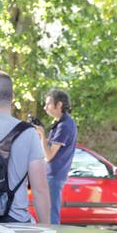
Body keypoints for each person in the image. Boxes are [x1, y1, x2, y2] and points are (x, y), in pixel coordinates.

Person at [0, 72, 49, 223]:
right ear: (12, 97)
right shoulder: (28, 133)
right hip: (16, 224)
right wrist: (47, 227)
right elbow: (39, 189)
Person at [41, 88, 77, 224]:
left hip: (54, 175)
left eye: (48, 104)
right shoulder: (61, 123)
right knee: (48, 213)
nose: (45, 108)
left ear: (59, 105)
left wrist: (41, 135)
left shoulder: (64, 125)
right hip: (52, 174)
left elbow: (49, 156)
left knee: (51, 215)